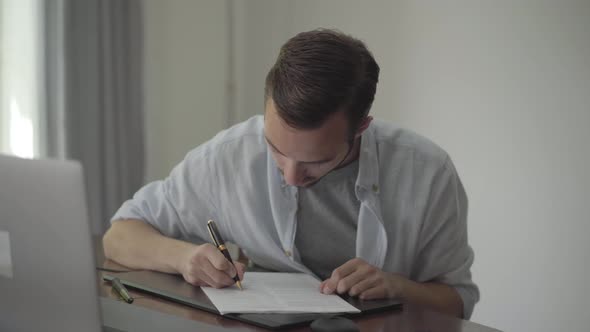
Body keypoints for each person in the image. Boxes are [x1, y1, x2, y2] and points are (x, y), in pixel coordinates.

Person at [103, 28, 479, 319]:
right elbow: (119, 236)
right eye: (276, 150)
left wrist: (396, 286)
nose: (291, 176)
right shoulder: (231, 155)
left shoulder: (426, 173)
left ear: (361, 128)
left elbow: (458, 302)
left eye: (315, 162)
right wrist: (184, 258)